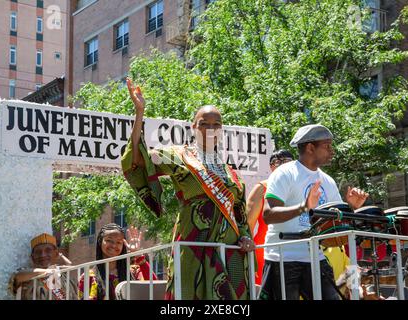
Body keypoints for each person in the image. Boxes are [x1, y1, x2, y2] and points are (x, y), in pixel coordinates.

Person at [121, 78, 255, 300]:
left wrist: (245, 237)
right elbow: (137, 159)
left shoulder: (230, 170)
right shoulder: (179, 155)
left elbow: (239, 210)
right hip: (193, 245)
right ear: (193, 127)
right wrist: (139, 113)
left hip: (229, 249)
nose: (210, 128)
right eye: (204, 123)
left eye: (216, 124)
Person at [259, 124, 369, 300]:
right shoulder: (284, 173)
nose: (332, 151)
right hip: (282, 257)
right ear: (310, 147)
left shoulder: (327, 180)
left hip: (315, 257)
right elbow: (268, 214)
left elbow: (336, 224)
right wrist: (304, 206)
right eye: (327, 146)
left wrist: (352, 207)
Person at [246, 150, 294, 285]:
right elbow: (247, 225)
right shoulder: (262, 188)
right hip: (265, 250)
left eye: (287, 162)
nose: (283, 165)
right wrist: (248, 256)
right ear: (271, 167)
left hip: (295, 251)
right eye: (278, 162)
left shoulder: (299, 187)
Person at [78, 223, 157, 300]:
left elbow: (156, 288)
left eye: (119, 242)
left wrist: (138, 255)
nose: (114, 245)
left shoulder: (134, 272)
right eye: (109, 240)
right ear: (100, 241)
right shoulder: (87, 277)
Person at [8, 233, 77, 300]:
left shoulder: (64, 275)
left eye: (48, 250)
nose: (43, 255)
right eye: (38, 252)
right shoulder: (28, 275)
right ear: (32, 257)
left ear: (56, 254)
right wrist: (48, 271)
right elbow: (18, 276)